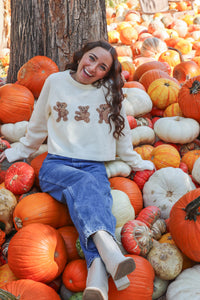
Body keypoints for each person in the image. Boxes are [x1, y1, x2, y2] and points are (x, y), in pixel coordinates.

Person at [0, 40, 155, 300]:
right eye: (91, 58)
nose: (93, 67)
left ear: (107, 73)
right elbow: (38, 125)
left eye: (102, 66)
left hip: (93, 166)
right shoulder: (56, 82)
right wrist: (20, 150)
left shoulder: (109, 91)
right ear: (81, 55)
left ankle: (97, 277)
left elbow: (123, 134)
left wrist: (136, 162)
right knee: (89, 187)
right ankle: (109, 251)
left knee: (97, 196)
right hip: (56, 164)